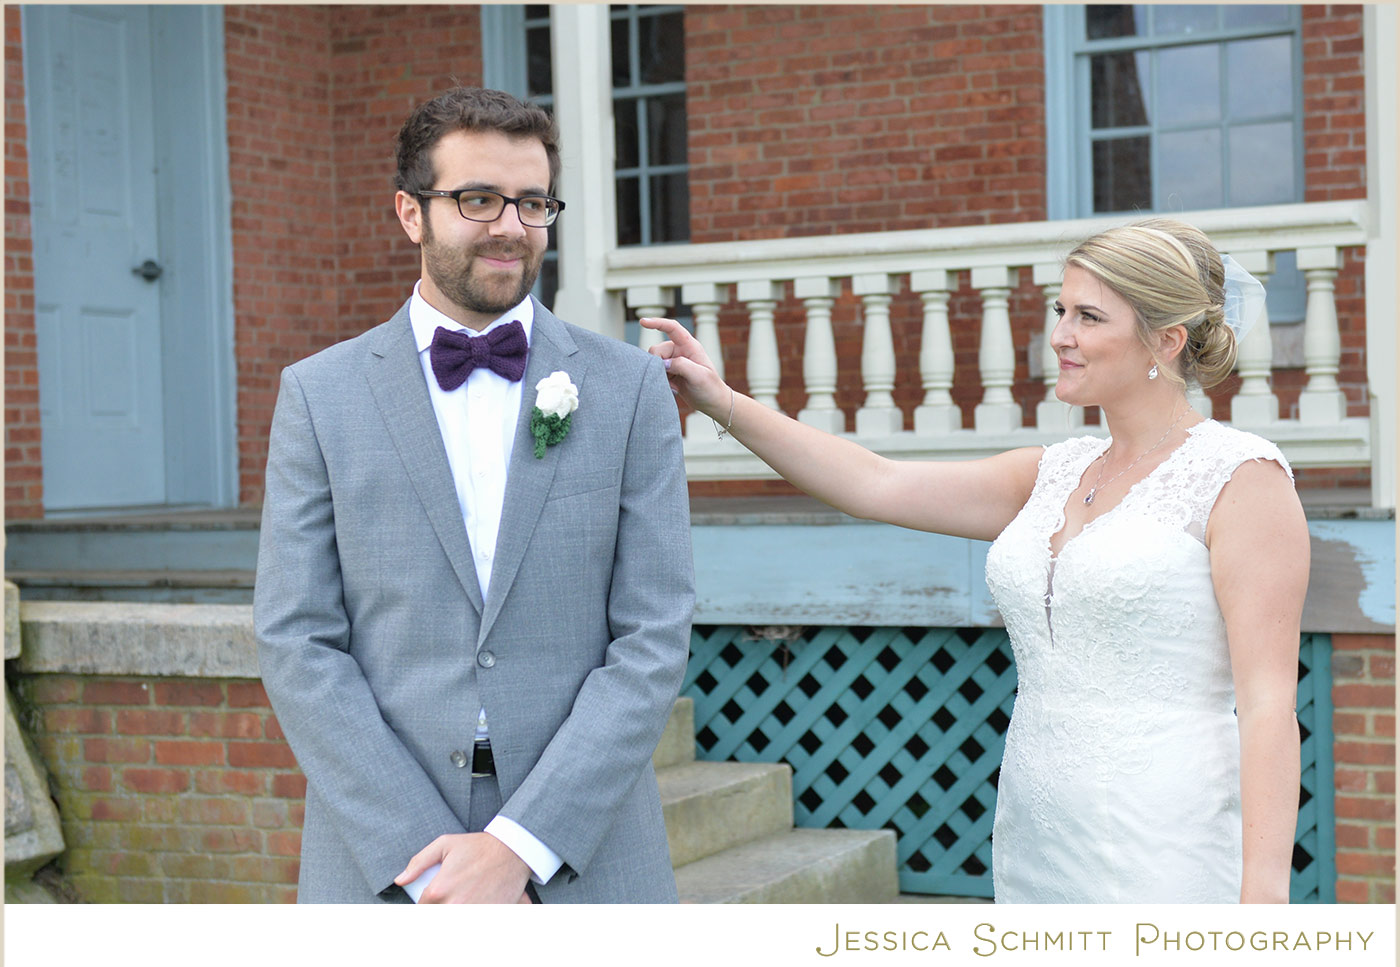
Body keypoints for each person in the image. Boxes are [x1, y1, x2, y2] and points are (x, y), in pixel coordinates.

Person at [647, 217, 1308, 903]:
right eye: (1060, 311)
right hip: (1038, 840)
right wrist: (721, 402)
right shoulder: (1053, 472)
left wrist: (1262, 900)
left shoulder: (1240, 477)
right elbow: (877, 483)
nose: (1060, 336)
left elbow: (1267, 705)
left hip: (1169, 843)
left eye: (1087, 316)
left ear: (1165, 341)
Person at [255, 87, 693, 904]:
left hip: (584, 851)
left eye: (533, 203)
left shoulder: (630, 387)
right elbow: (298, 640)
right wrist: (426, 856)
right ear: (410, 213)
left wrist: (521, 847)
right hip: (384, 856)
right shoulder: (319, 395)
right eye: (477, 199)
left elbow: (654, 634)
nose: (510, 227)